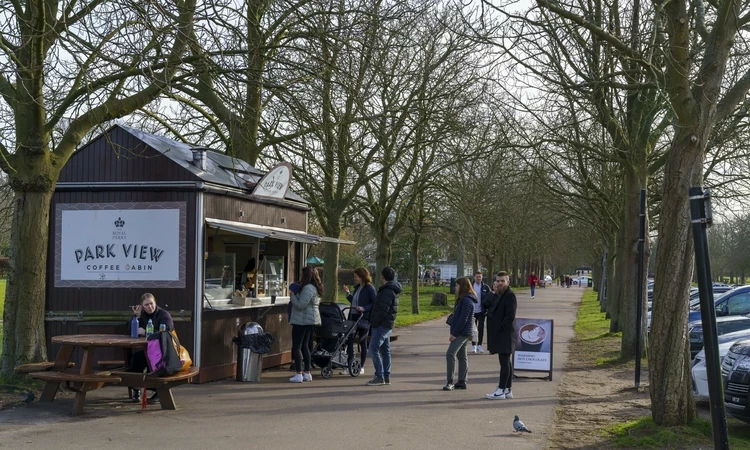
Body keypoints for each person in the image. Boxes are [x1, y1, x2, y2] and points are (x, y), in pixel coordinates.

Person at [128, 293, 174, 403]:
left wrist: (148, 332)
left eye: (151, 303)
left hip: (162, 351)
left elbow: (167, 330)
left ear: (155, 302)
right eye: (146, 305)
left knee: (154, 363)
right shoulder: (142, 315)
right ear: (142, 306)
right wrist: (136, 317)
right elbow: (130, 331)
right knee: (135, 360)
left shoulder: (163, 314)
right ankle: (136, 389)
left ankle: (159, 392)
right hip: (147, 349)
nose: (150, 307)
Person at [483, 271, 517, 400]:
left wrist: (500, 327)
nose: (500, 283)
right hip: (500, 333)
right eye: (498, 281)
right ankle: (507, 389)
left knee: (504, 362)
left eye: (502, 281)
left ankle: (501, 389)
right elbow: (486, 305)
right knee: (505, 361)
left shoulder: (510, 295)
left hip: (505, 333)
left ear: (508, 282)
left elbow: (510, 316)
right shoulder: (499, 294)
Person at [366, 266, 401, 386]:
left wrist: (374, 321)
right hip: (387, 324)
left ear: (382, 276)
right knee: (385, 350)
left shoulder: (386, 290)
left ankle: (379, 376)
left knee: (373, 348)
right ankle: (386, 375)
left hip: (381, 324)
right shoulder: (392, 289)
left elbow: (382, 309)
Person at [289, 266, 322, 383]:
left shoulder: (308, 288)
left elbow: (300, 305)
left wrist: (292, 297)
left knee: (297, 346)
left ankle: (298, 373)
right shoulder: (314, 287)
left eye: (303, 275)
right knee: (305, 346)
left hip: (301, 321)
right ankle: (307, 373)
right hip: (309, 320)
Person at [444, 277, 478, 391]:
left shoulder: (467, 301)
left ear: (462, 286)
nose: (456, 288)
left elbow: (463, 319)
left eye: (457, 285)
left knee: (450, 353)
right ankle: (462, 381)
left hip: (462, 332)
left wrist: (454, 333)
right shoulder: (464, 299)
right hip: (464, 331)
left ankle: (450, 381)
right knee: (461, 356)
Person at [342, 267, 376, 375]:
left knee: (362, 341)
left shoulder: (369, 288)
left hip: (363, 318)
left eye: (356, 276)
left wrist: (364, 308)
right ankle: (350, 365)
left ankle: (361, 366)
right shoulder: (357, 288)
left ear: (361, 277)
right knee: (350, 340)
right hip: (353, 316)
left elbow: (374, 302)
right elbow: (355, 302)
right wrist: (348, 294)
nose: (355, 278)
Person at [471, 271, 492, 353]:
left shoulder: (485, 287)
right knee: (473, 329)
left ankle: (479, 345)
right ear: (474, 277)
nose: (478, 278)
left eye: (480, 277)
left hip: (482, 311)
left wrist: (487, 308)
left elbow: (490, 298)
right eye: (477, 277)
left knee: (480, 328)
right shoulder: (470, 287)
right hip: (472, 311)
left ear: (482, 277)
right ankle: (473, 345)